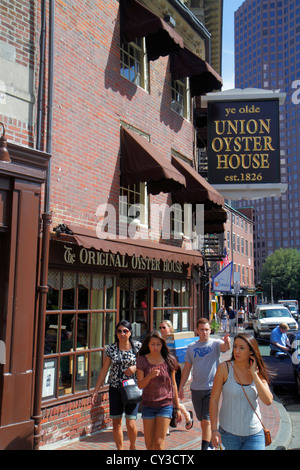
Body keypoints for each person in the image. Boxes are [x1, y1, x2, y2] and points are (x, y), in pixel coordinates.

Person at [210, 332, 273, 450]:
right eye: (235, 346)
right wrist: (214, 430)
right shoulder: (224, 368)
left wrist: (254, 374)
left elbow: (268, 400)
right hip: (228, 433)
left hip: (254, 433)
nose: (236, 351)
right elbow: (214, 400)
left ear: (251, 351)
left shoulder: (258, 371)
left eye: (242, 348)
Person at [178, 318, 231, 450]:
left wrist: (227, 343)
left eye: (206, 329)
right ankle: (211, 441)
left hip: (212, 388)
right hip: (196, 389)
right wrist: (180, 386)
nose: (204, 332)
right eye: (201, 329)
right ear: (197, 330)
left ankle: (205, 447)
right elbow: (187, 368)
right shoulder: (191, 347)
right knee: (202, 420)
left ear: (210, 330)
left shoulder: (215, 344)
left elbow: (224, 348)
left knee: (207, 420)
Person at [92, 320, 141, 450]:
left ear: (130, 332)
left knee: (130, 423)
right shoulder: (111, 349)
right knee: (116, 423)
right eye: (119, 331)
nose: (122, 333)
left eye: (125, 331)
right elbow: (104, 369)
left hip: (131, 389)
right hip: (115, 388)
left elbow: (146, 363)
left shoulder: (137, 347)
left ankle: (132, 446)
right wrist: (96, 390)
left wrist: (135, 367)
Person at [136, 330, 182, 450]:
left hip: (165, 404)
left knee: (159, 444)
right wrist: (150, 376)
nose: (155, 347)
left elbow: (173, 385)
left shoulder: (169, 360)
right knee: (149, 444)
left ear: (163, 344)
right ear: (148, 344)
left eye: (158, 344)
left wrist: (177, 408)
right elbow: (140, 385)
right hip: (148, 404)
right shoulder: (142, 360)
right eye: (152, 344)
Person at [159, 320, 194, 430]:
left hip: (176, 372)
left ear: (170, 328)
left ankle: (169, 424)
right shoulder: (159, 342)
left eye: (164, 327)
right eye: (160, 327)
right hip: (164, 372)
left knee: (172, 397)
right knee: (169, 397)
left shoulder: (175, 341)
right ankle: (186, 415)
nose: (161, 330)